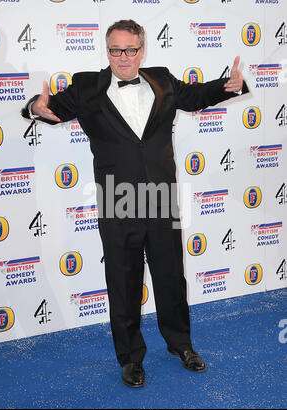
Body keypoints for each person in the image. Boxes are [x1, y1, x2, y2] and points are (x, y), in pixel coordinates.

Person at [22, 19, 249, 388]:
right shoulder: (86, 86)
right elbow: (51, 109)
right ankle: (130, 358)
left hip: (160, 197)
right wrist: (36, 106)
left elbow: (196, 97)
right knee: (123, 281)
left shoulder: (162, 79)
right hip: (117, 200)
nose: (122, 57)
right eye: (115, 50)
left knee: (171, 277)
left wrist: (228, 87)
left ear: (141, 50)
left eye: (130, 49)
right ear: (107, 50)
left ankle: (181, 345)